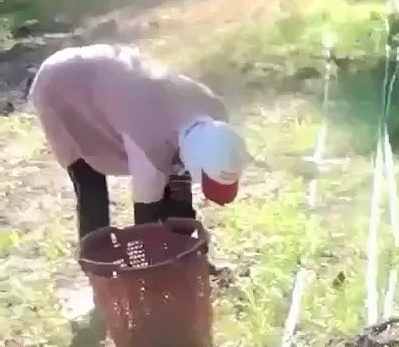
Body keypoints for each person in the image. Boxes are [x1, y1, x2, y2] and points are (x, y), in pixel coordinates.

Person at [27, 43, 249, 271]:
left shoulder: (215, 114)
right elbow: (146, 215)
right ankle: (99, 270)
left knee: (175, 183)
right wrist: (154, 266)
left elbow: (178, 188)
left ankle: (188, 262)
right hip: (60, 84)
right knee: (90, 183)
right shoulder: (148, 142)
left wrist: (188, 254)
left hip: (117, 83)